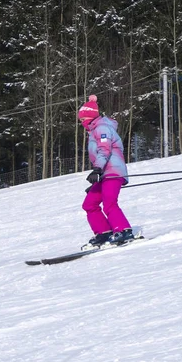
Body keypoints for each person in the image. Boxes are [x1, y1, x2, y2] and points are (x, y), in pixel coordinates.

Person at [78, 94, 134, 250]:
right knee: (89, 203)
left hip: (113, 172)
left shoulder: (102, 128)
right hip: (104, 174)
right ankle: (104, 232)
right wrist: (98, 175)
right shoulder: (94, 130)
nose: (81, 122)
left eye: (82, 119)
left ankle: (124, 230)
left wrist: (97, 170)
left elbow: (105, 149)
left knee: (109, 202)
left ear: (90, 116)